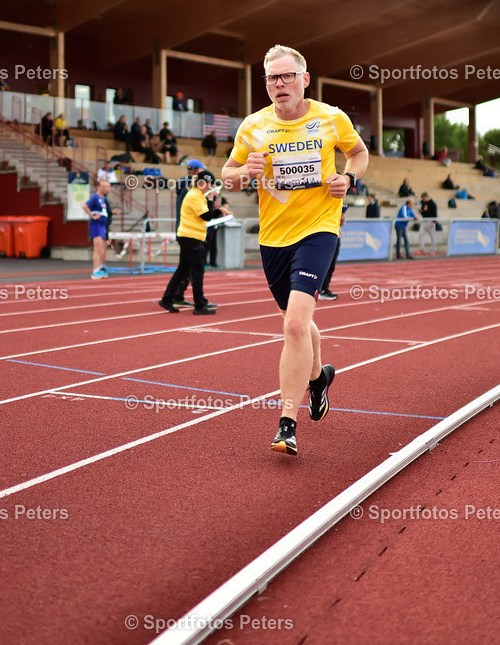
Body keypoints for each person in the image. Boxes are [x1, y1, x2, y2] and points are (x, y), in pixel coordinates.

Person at [222, 44, 368, 456]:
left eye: (286, 76)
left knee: (293, 325)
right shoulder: (253, 125)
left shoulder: (330, 117)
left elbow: (358, 153)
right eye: (271, 78)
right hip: (273, 237)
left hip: (319, 230)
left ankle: (287, 423)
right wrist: (242, 173)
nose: (279, 84)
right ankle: (319, 378)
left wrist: (349, 179)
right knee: (296, 322)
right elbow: (226, 175)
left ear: (304, 79)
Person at [158, 170, 228, 315]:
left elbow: (205, 215)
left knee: (183, 269)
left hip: (190, 236)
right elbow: (206, 216)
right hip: (191, 237)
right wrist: (211, 200)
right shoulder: (195, 195)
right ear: (204, 183)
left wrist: (220, 211)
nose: (211, 187)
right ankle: (199, 304)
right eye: (210, 184)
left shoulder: (197, 195)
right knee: (197, 270)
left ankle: (167, 298)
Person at [169, 159, 205, 307]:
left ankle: (173, 296)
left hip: (183, 228)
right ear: (198, 171)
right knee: (189, 267)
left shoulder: (183, 185)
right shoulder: (191, 188)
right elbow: (197, 209)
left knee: (185, 266)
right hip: (190, 230)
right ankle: (177, 295)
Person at [82, 179, 112, 279]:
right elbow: (85, 206)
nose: (105, 189)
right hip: (96, 224)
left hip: (102, 224)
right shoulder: (95, 197)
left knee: (102, 248)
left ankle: (100, 267)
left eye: (107, 187)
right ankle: (95, 270)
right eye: (103, 186)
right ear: (99, 187)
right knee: (97, 247)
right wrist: (91, 215)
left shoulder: (103, 198)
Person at [320, 205, 347, 301]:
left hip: (335, 234)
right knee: (325, 264)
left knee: (331, 266)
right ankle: (322, 289)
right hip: (326, 235)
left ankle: (324, 288)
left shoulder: (337, 202)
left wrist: (342, 217)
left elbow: (342, 223)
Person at [417, 191, 438, 255]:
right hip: (424, 220)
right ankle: (421, 249)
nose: (423, 200)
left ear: (426, 197)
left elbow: (435, 214)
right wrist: (421, 211)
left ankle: (433, 249)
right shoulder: (422, 202)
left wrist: (433, 222)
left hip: (430, 221)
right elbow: (422, 211)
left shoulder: (432, 203)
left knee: (432, 236)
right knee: (421, 235)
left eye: (424, 198)